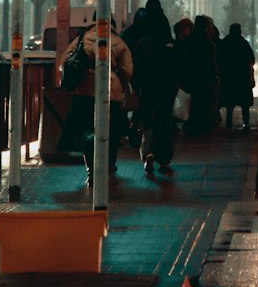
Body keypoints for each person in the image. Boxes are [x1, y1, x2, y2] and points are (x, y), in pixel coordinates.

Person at [58, 17, 134, 185]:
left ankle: (91, 168)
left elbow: (64, 61)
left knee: (85, 128)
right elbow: (127, 70)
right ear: (112, 25)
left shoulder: (81, 39)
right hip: (110, 92)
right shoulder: (118, 42)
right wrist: (120, 84)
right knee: (111, 131)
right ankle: (109, 164)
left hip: (83, 91)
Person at [132, 20, 179, 179]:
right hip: (167, 90)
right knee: (164, 122)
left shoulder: (141, 45)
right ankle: (164, 158)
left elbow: (135, 69)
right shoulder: (169, 45)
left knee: (149, 123)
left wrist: (136, 87)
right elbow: (179, 67)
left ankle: (148, 152)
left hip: (147, 89)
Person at [218, 22, 256, 131]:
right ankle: (246, 123)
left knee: (230, 103)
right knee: (244, 104)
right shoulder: (243, 43)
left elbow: (219, 60)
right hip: (242, 78)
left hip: (229, 77)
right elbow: (251, 59)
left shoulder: (225, 42)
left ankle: (229, 122)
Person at [187, 15, 221, 134]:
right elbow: (212, 63)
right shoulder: (209, 44)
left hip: (194, 77)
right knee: (206, 102)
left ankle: (195, 124)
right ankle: (204, 124)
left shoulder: (190, 42)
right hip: (207, 78)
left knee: (196, 101)